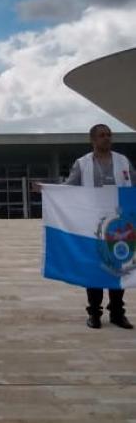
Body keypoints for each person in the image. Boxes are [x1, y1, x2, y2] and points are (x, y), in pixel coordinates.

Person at [63, 124, 134, 329]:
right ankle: (94, 313)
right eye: (102, 135)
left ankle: (117, 313)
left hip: (119, 225)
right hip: (92, 224)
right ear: (93, 140)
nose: (107, 138)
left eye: (109, 135)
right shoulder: (82, 163)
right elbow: (70, 188)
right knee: (94, 268)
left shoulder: (123, 161)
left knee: (118, 268)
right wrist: (48, 190)